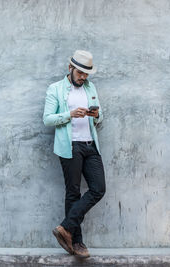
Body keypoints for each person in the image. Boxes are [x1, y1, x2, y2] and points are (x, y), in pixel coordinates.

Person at [43, 50, 106, 258]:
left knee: (98, 188)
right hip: (70, 146)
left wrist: (96, 115)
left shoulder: (91, 87)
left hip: (90, 145)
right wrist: (70, 114)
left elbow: (100, 118)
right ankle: (77, 242)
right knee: (73, 193)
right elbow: (48, 119)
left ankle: (66, 227)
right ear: (70, 68)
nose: (83, 77)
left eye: (87, 74)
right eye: (80, 73)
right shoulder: (56, 89)